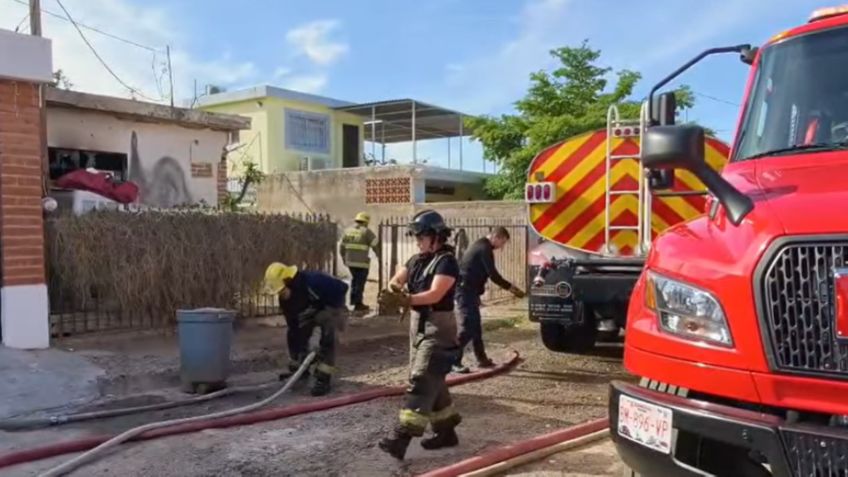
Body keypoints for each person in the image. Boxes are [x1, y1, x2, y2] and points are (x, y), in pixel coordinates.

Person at [376, 210, 462, 460]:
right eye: (415, 236)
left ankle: (400, 438)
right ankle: (446, 432)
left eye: (421, 236)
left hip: (439, 328)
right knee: (433, 378)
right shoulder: (416, 260)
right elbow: (398, 278)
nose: (417, 241)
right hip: (418, 326)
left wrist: (407, 299)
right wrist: (392, 289)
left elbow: (435, 294)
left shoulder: (447, 262)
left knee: (422, 378)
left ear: (435, 236)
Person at [263, 262, 349, 396]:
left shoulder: (314, 281)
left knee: (329, 332)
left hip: (330, 306)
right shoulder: (286, 300)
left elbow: (343, 288)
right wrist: (298, 348)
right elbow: (293, 324)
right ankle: (301, 369)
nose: (281, 295)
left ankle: (323, 377)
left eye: (282, 290)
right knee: (295, 332)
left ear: (289, 281)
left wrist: (333, 311)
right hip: (311, 308)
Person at [453, 227, 525, 373]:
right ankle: (452, 360)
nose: (501, 247)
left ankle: (482, 359)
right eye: (502, 242)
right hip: (465, 291)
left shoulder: (481, 245)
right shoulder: (484, 248)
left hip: (470, 291)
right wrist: (512, 288)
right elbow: (493, 275)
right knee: (468, 326)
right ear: (496, 237)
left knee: (476, 327)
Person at [339, 212, 380, 313]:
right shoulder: (366, 232)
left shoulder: (347, 231)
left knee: (354, 281)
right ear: (366, 222)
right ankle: (358, 304)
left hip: (350, 262)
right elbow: (376, 245)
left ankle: (353, 302)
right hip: (362, 263)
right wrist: (379, 256)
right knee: (359, 283)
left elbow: (341, 247)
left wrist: (344, 258)